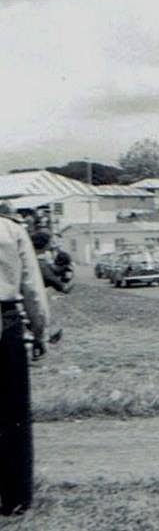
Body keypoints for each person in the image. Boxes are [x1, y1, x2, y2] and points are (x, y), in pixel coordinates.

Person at [0, 207, 50, 516]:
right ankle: (14, 498)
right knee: (12, 414)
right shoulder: (11, 230)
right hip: (5, 323)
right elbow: (32, 289)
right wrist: (40, 331)